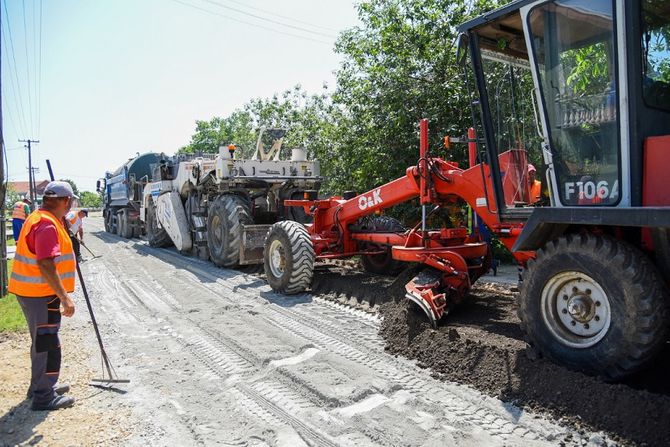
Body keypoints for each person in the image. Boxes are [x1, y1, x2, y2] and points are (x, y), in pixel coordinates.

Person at [8, 181, 78, 411]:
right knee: (47, 344)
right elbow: (46, 263)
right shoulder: (47, 225)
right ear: (65, 201)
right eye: (71, 202)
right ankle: (43, 397)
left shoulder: (41, 218)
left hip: (33, 292)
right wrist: (65, 297)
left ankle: (40, 386)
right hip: (41, 293)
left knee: (41, 343)